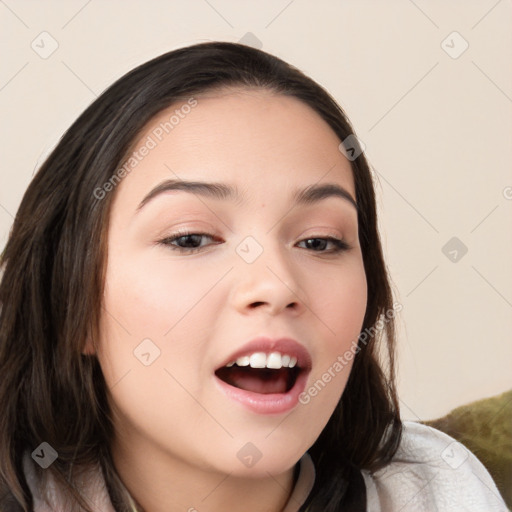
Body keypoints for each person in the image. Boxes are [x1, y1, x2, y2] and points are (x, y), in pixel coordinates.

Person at [0, 41, 506, 512]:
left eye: (319, 242)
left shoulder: (438, 490)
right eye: (191, 238)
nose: (277, 285)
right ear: (73, 301)